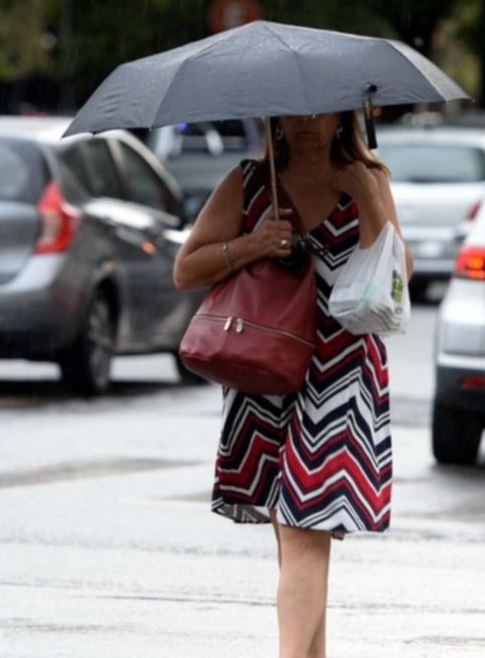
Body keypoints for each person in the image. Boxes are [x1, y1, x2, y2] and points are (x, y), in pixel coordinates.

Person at [173, 112, 410, 658]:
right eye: (296, 111)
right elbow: (186, 269)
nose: (307, 122)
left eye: (322, 109)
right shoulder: (250, 182)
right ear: (274, 117)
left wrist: (370, 201)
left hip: (343, 373)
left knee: (305, 522)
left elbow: (401, 277)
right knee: (296, 534)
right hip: (265, 372)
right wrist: (253, 245)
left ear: (344, 117)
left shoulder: (368, 179)